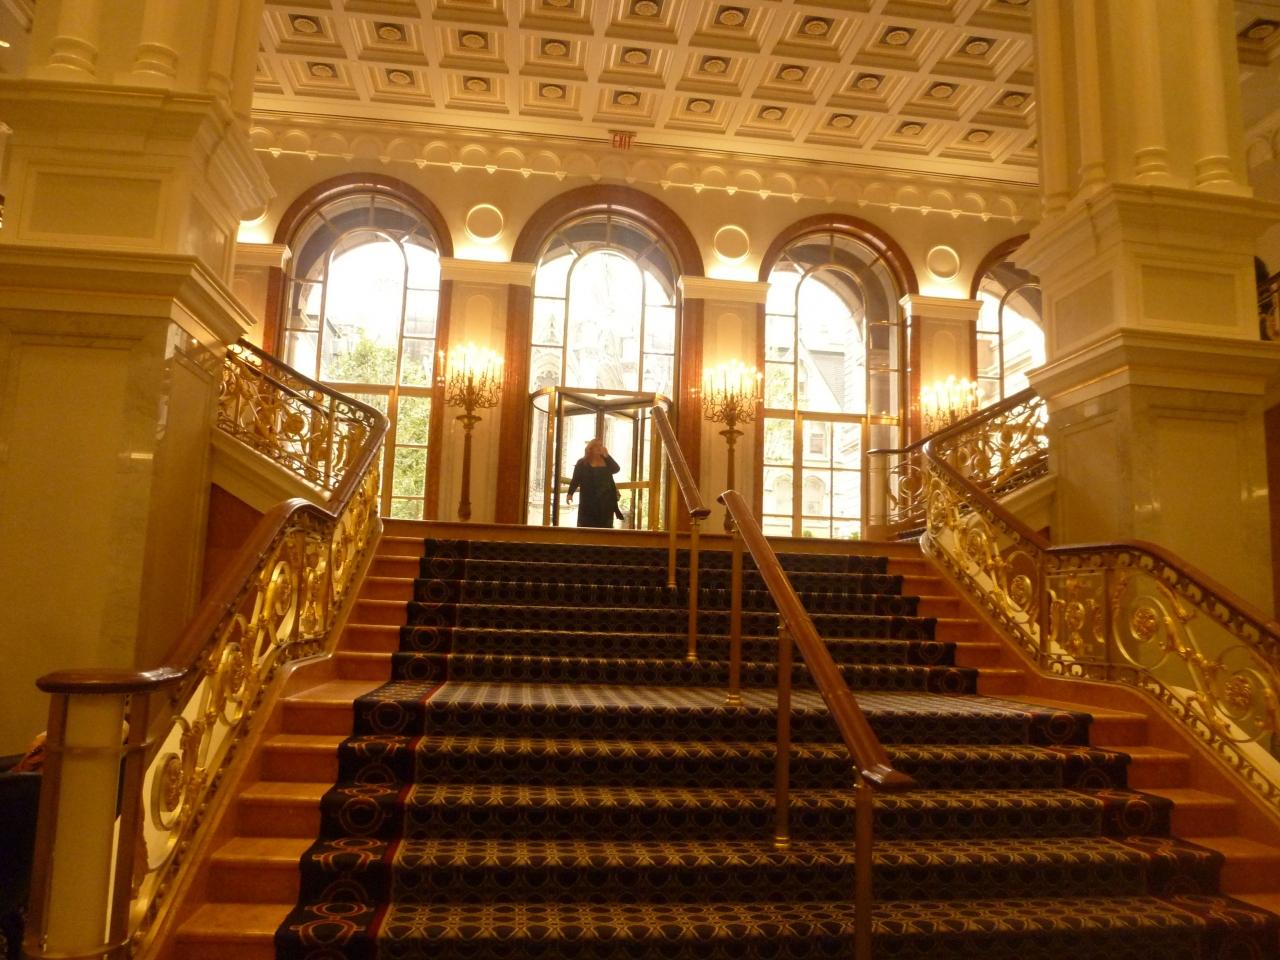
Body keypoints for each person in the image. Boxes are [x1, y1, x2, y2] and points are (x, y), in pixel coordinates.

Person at [566, 438, 624, 528]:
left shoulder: (606, 461)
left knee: (605, 526)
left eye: (601, 445)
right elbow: (575, 479)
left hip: (605, 500)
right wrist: (570, 493)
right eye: (596, 446)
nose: (599, 448)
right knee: (587, 525)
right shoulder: (582, 463)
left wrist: (607, 456)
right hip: (589, 500)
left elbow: (616, 469)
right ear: (591, 448)